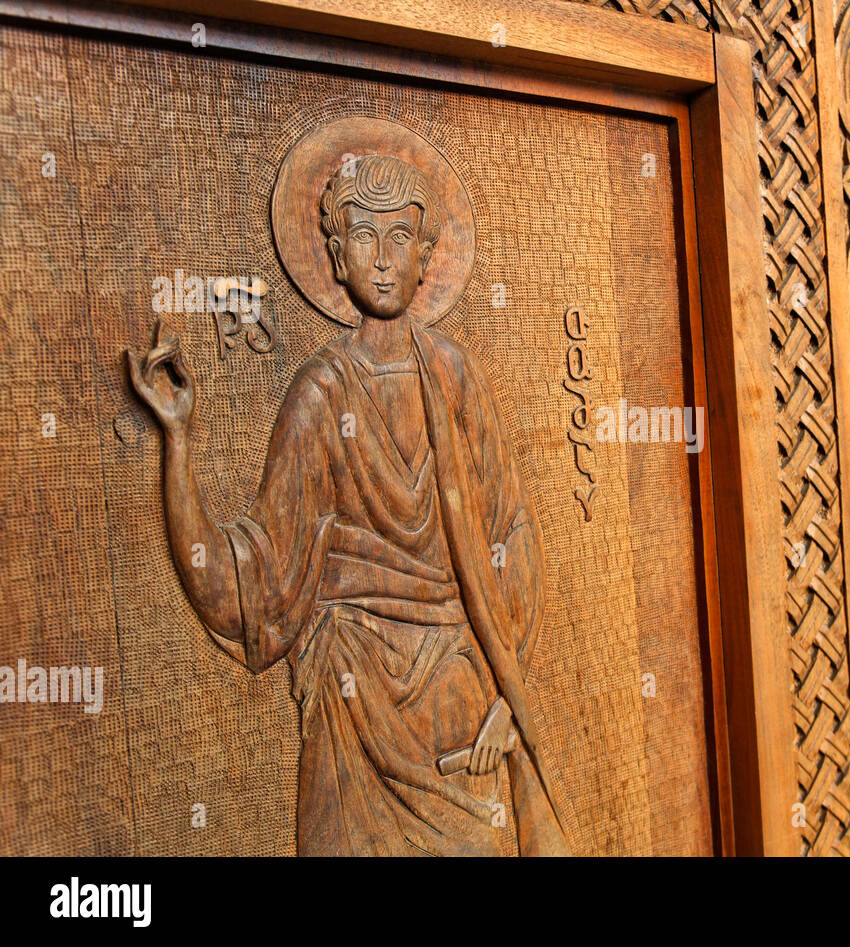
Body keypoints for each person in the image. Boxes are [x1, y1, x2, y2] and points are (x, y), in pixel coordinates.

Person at [126, 154, 569, 856]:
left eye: (402, 240)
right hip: (351, 698)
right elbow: (251, 584)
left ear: (427, 257)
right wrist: (178, 442)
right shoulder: (320, 396)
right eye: (364, 238)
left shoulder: (454, 379)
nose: (385, 261)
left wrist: (505, 698)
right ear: (334, 255)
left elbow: (509, 534)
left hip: (461, 701)